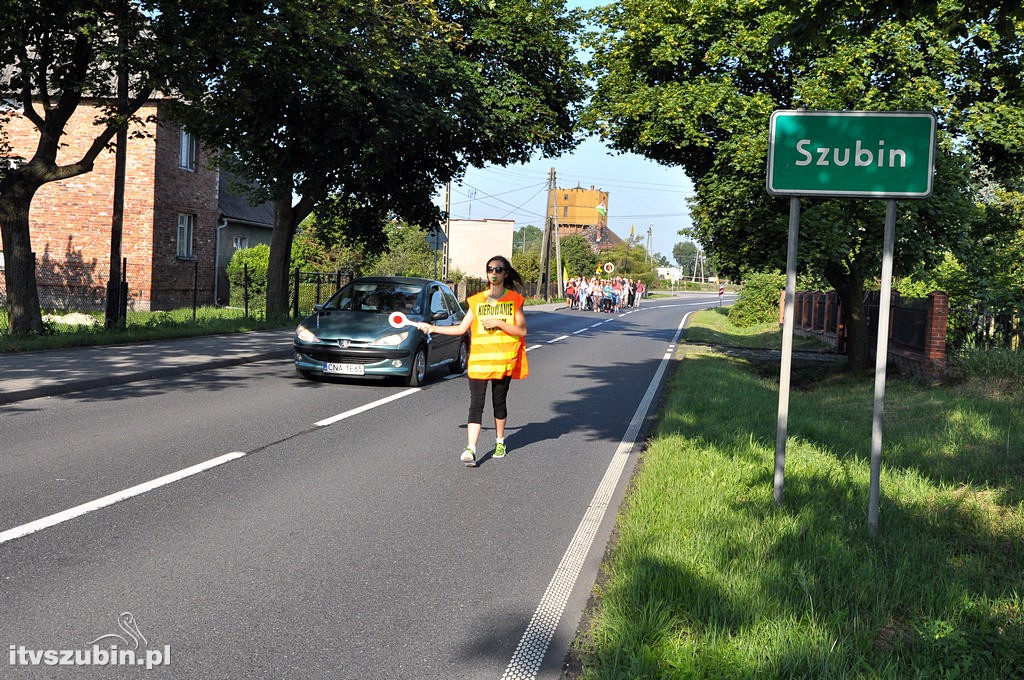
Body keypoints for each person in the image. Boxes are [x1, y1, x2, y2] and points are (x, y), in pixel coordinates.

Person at [415, 255, 529, 466]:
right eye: (490, 269)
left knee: (499, 403)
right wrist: (433, 328)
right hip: (478, 361)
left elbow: (522, 330)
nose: (493, 273)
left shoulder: (514, 300)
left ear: (505, 273)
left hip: (503, 361)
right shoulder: (477, 301)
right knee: (476, 404)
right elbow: (461, 329)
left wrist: (499, 323)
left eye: (498, 269)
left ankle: (500, 441)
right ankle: (471, 448)